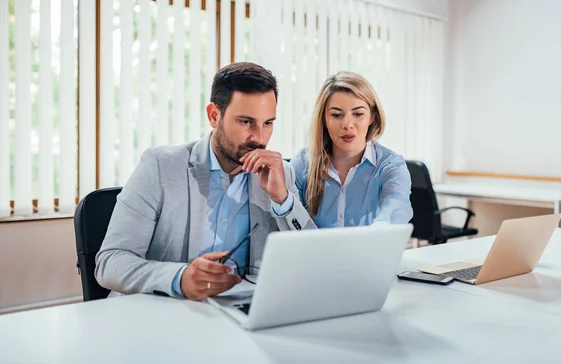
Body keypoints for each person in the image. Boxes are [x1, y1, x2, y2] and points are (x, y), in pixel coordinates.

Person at [96, 62, 315, 301]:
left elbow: (311, 258)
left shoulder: (279, 172)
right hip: (163, 310)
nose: (259, 137)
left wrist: (283, 200)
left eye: (268, 123)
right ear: (214, 115)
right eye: (245, 121)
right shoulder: (160, 166)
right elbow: (110, 262)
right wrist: (180, 279)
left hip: (237, 312)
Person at [291, 71, 412, 228]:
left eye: (358, 114)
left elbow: (396, 207)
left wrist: (380, 231)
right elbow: (288, 223)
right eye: (336, 115)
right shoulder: (302, 162)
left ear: (372, 117)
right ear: (324, 119)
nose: (347, 124)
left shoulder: (391, 165)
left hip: (369, 250)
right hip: (316, 252)